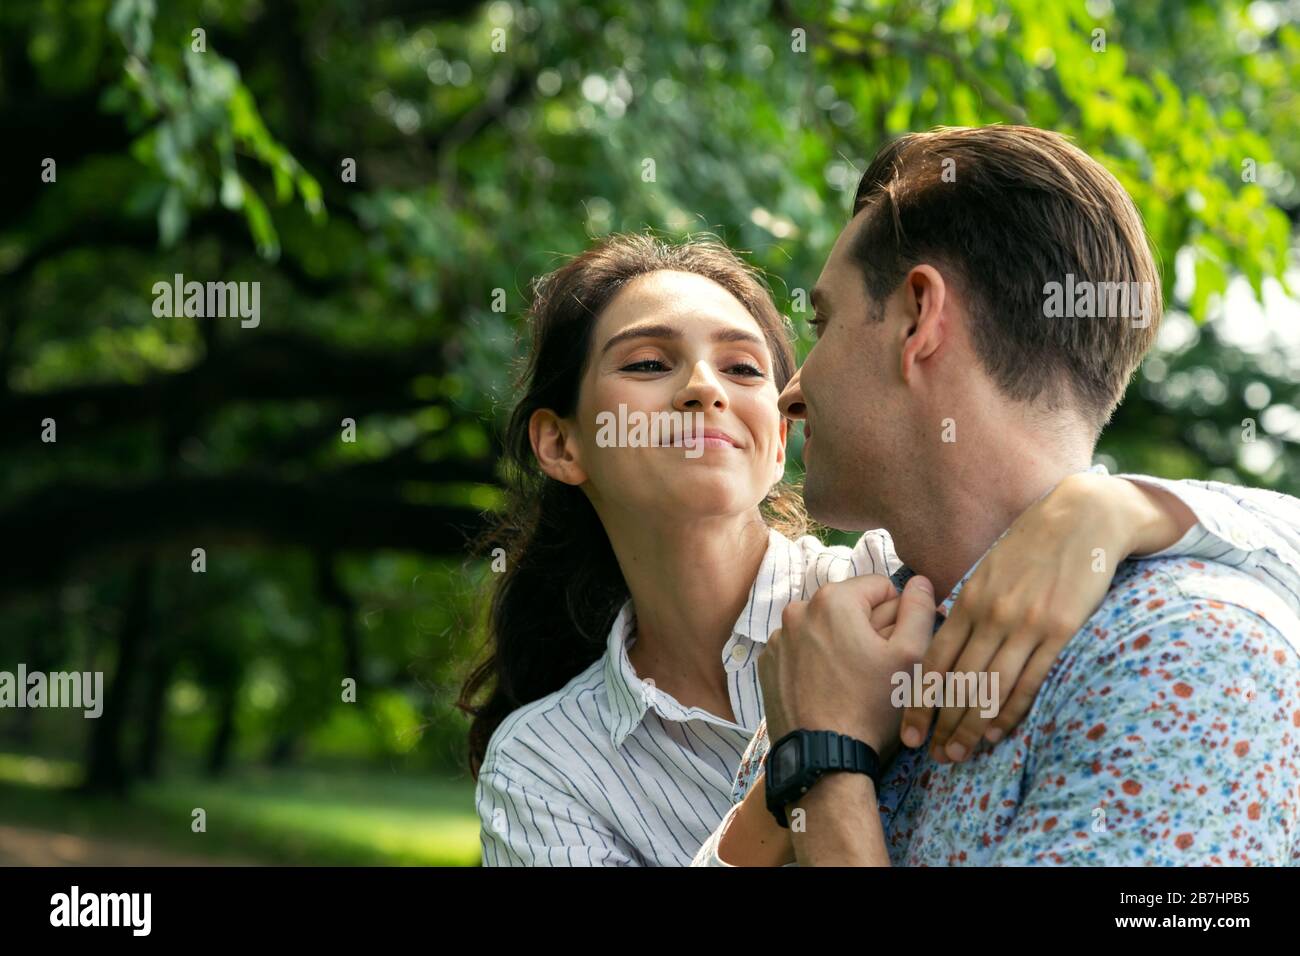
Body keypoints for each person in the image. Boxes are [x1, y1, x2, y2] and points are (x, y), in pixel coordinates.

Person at [457, 231, 1300, 866]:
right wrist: (806, 759)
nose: (705, 388)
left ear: (782, 433)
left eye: (746, 371)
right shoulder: (544, 763)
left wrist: (1120, 506)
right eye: (647, 363)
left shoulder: (901, 587)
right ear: (562, 444)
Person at [693, 125, 1300, 866]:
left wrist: (825, 769)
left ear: (918, 318)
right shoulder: (852, 644)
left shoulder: (1189, 661)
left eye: (822, 324)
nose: (792, 388)